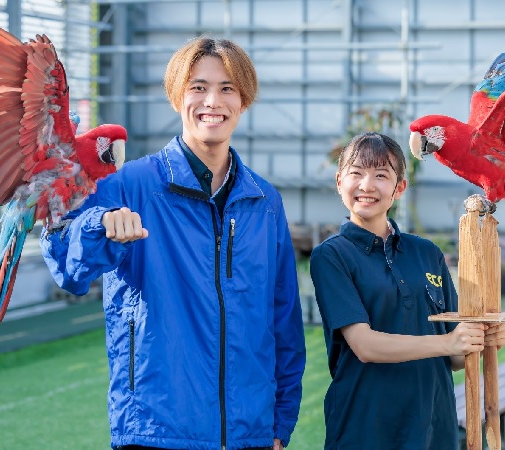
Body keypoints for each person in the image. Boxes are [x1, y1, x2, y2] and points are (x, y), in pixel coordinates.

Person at [41, 37, 306, 450]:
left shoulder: (264, 201)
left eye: (227, 88)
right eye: (198, 87)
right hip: (154, 429)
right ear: (177, 96)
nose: (212, 101)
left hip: (250, 433)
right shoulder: (128, 184)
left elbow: (283, 317)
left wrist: (280, 422)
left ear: (243, 101)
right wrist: (99, 224)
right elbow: (65, 261)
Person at [309, 132, 505, 449]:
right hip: (366, 429)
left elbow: (455, 356)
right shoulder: (332, 256)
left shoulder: (427, 254)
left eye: (381, 175)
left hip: (433, 427)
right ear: (339, 181)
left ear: (399, 188)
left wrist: (483, 341)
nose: (366, 185)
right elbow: (364, 345)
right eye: (356, 173)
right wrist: (448, 342)